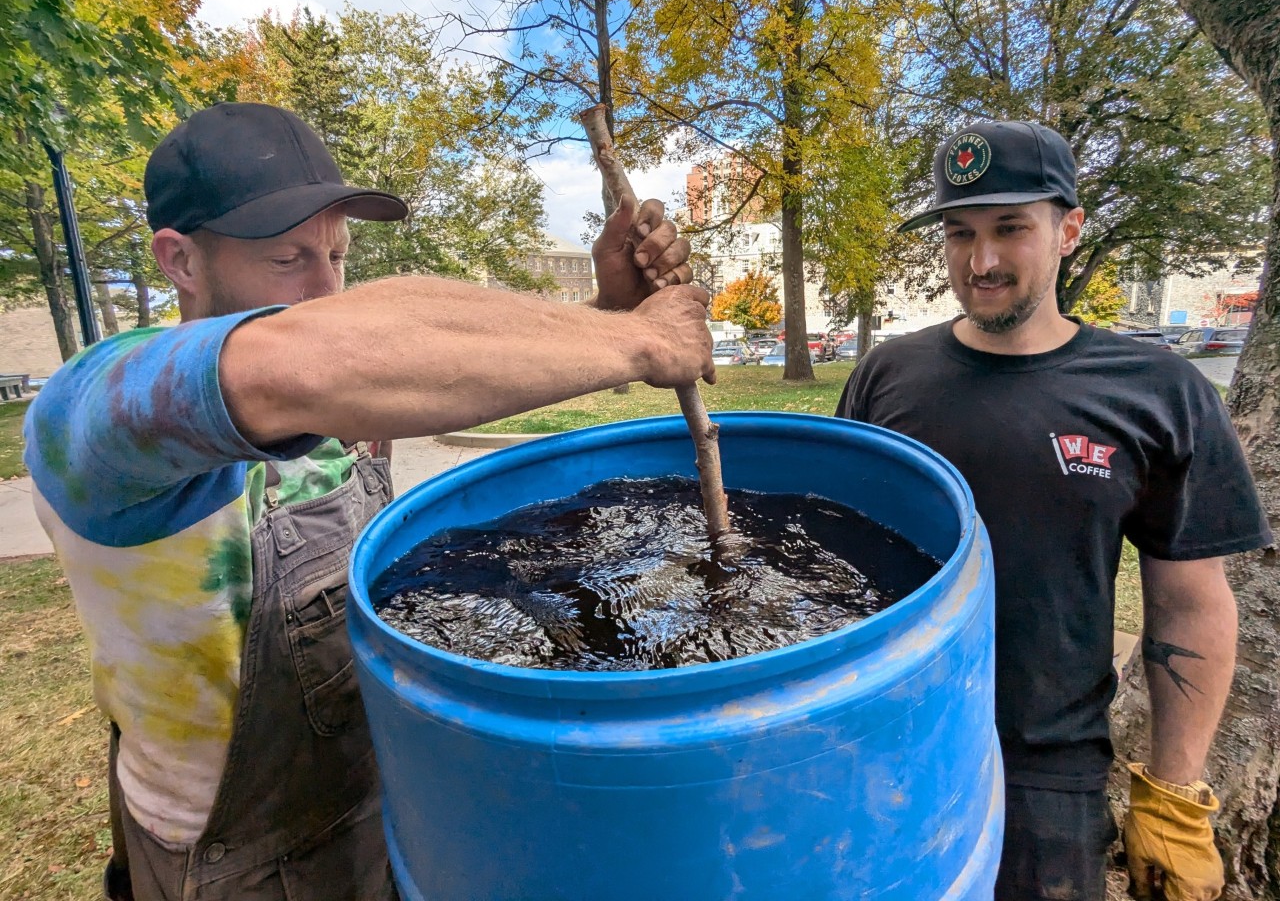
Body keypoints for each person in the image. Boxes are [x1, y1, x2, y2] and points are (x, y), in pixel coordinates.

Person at [24, 101, 714, 901]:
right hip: (239, 859)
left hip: (381, 797)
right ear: (180, 260)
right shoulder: (98, 407)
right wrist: (641, 341)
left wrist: (603, 314)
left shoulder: (332, 389)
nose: (325, 290)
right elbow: (307, 362)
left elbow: (413, 368)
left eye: (338, 257)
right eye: (288, 260)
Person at [836, 120, 1271, 901]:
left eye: (1011, 229)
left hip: (1048, 774)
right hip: (882, 748)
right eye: (960, 233)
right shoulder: (886, 376)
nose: (983, 261)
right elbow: (834, 557)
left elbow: (1190, 603)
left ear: (1068, 230)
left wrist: (1173, 796)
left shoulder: (1159, 391)